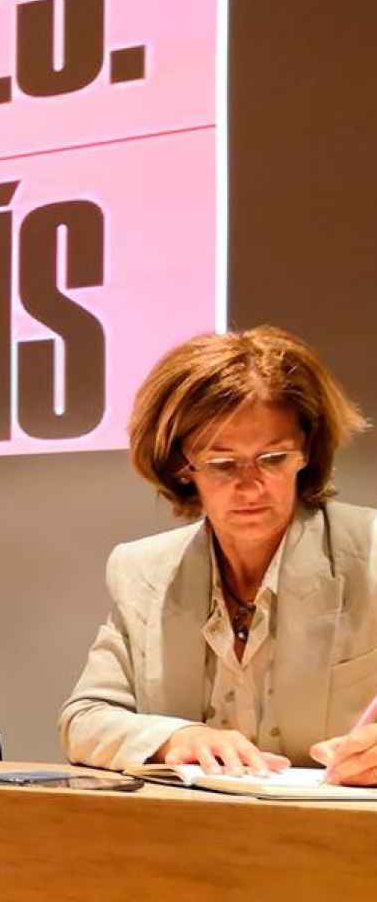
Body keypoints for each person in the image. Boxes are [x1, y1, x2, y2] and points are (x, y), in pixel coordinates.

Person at [60, 326, 377, 784]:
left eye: (272, 459)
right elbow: (83, 718)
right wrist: (175, 737)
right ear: (182, 466)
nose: (250, 485)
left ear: (306, 451)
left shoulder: (369, 553)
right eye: (223, 464)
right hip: (191, 836)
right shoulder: (142, 570)